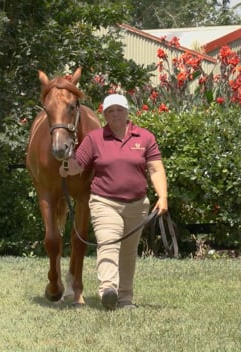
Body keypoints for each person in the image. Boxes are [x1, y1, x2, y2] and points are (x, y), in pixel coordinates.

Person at [59, 93, 169, 310]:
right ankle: (108, 290)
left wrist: (163, 196)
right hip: (104, 202)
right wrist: (65, 165)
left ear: (128, 112)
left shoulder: (144, 137)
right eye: (110, 111)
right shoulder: (95, 138)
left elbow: (155, 168)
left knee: (128, 252)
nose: (115, 114)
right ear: (105, 115)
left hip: (138, 205)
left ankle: (125, 298)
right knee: (108, 243)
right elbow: (77, 165)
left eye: (119, 110)